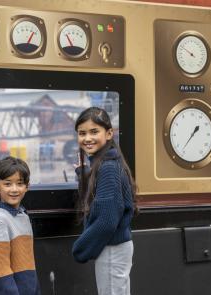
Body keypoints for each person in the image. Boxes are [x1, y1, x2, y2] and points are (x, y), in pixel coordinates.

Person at [72, 107, 137, 295]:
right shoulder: (108, 163)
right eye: (82, 133)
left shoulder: (107, 168)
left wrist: (81, 248)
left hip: (112, 249)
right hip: (117, 247)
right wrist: (84, 175)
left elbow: (107, 220)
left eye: (94, 132)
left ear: (109, 133)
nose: (87, 138)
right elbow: (99, 200)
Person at [0, 156, 41, 295]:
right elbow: (0, 271)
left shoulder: (22, 215)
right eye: (8, 184)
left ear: (27, 187)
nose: (14, 189)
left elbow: (28, 263)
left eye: (20, 183)